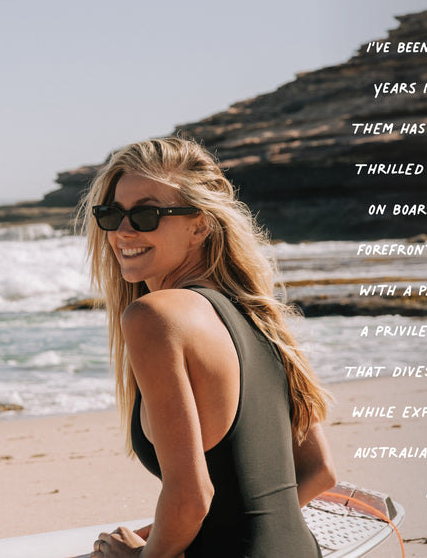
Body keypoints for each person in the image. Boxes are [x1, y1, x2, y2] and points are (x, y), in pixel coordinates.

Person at [81, 136, 336, 558]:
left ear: (200, 224)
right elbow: (319, 471)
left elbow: (191, 498)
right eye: (112, 215)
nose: (123, 231)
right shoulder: (259, 314)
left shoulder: (154, 316)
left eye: (145, 214)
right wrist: (159, 534)